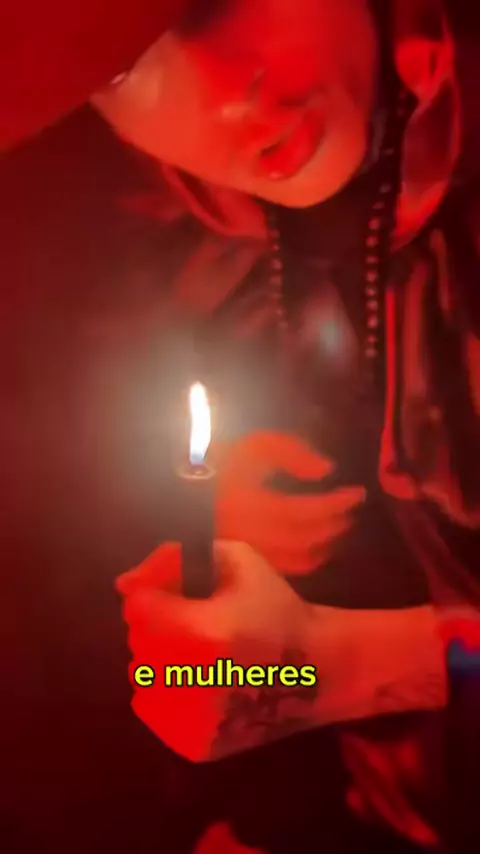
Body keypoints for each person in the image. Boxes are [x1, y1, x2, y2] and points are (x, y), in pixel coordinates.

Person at [1, 0, 480, 852]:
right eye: (122, 67)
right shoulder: (190, 231)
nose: (223, 97)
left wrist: (349, 666)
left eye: (217, 1)